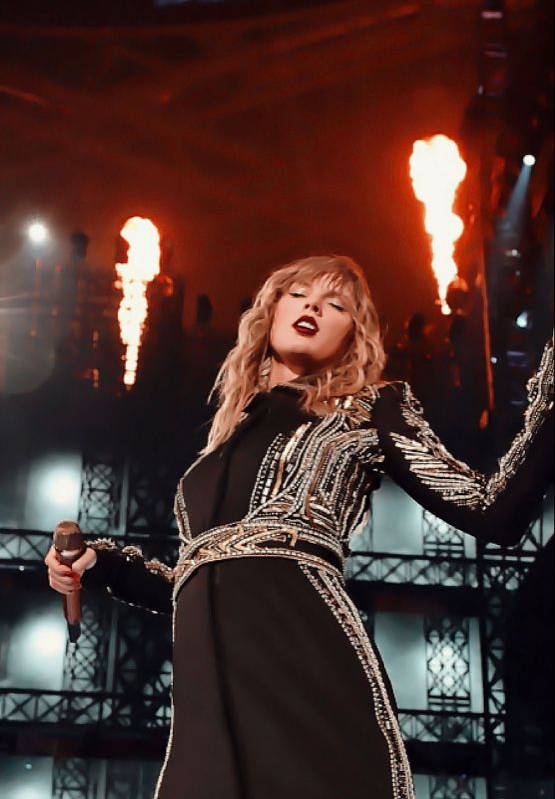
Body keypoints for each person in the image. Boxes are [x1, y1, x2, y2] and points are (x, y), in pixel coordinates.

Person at [45, 254, 554, 799]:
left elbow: (491, 511)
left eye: (335, 304)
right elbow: (209, 578)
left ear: (353, 335)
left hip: (307, 667)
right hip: (208, 702)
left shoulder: (368, 410)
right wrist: (104, 566)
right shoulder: (224, 442)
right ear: (270, 312)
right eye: (299, 294)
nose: (313, 305)